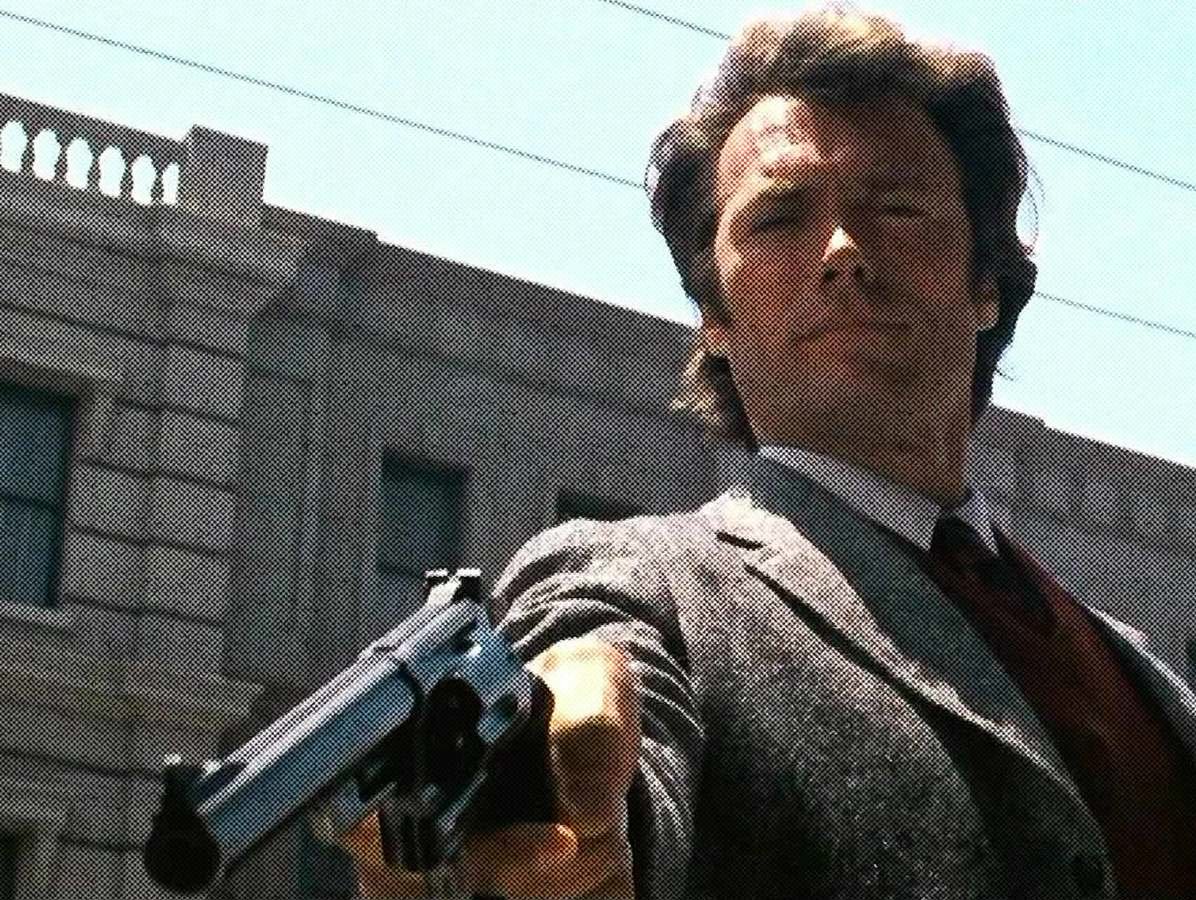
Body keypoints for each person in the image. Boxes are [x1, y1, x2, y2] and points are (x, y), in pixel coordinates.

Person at [345, 4, 1196, 898]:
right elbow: (599, 750)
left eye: (898, 208)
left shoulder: (1147, 679)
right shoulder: (644, 588)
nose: (843, 251)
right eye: (779, 220)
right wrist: (580, 824)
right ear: (714, 316)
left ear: (986, 283)